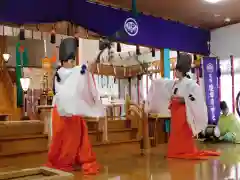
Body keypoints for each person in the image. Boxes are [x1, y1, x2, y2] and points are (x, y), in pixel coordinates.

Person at [46, 38, 104, 174]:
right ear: (64, 61)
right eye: (71, 60)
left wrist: (98, 52)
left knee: (77, 139)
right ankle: (60, 162)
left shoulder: (78, 71)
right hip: (60, 113)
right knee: (60, 140)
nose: (73, 63)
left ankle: (76, 160)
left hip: (74, 112)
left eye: (74, 61)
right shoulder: (58, 75)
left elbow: (88, 68)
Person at [146, 53, 220, 159]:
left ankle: (184, 150)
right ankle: (175, 151)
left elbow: (194, 98)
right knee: (175, 134)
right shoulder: (175, 83)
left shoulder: (191, 84)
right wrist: (154, 81)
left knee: (183, 133)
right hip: (175, 113)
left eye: (177, 70)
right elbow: (163, 84)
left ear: (182, 71)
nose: (175, 72)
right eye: (175, 70)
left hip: (184, 113)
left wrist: (182, 99)